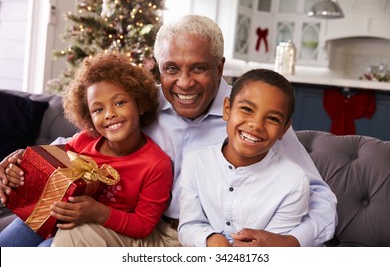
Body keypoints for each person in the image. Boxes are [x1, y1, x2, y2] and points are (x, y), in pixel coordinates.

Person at [0, 14, 337, 247]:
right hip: (134, 227)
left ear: (220, 67)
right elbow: (83, 144)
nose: (184, 82)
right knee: (57, 233)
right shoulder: (141, 105)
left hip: (204, 238)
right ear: (158, 67)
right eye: (172, 69)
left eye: (200, 69)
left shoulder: (250, 118)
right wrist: (21, 160)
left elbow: (320, 197)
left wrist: (292, 241)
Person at [0, 52, 173, 247]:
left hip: (92, 236)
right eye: (98, 109)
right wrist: (21, 165)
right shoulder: (83, 141)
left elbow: (144, 225)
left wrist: (99, 212)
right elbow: (48, 169)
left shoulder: (157, 164)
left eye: (119, 103)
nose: (110, 114)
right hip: (51, 216)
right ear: (88, 116)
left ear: (140, 104)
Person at [178, 69, 310, 247]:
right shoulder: (195, 162)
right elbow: (188, 226)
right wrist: (210, 240)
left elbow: (274, 245)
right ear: (227, 110)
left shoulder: (294, 182)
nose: (256, 125)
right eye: (247, 109)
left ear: (284, 129)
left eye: (272, 118)